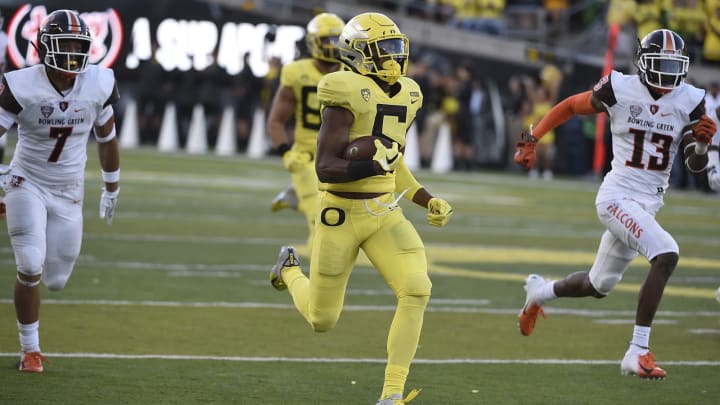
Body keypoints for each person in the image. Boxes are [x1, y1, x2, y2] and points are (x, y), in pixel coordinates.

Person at [269, 12, 453, 404]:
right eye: (382, 49)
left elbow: (396, 162)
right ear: (357, 54)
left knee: (417, 290)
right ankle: (289, 270)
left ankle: (391, 394)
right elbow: (326, 167)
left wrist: (426, 199)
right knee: (322, 319)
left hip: (385, 212)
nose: (393, 56)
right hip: (339, 214)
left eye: (395, 47)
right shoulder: (344, 89)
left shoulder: (409, 92)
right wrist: (371, 165)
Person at [513, 28, 715, 380]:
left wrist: (700, 146)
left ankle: (538, 293)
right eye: (660, 64)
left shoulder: (691, 99)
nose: (667, 74)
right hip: (617, 196)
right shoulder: (620, 87)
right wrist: (533, 136)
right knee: (666, 253)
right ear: (643, 62)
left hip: (647, 203)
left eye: (673, 65)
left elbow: (696, 167)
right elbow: (570, 106)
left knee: (598, 285)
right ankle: (637, 351)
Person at [0, 9, 121, 372]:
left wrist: (112, 186)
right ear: (42, 47)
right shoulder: (21, 84)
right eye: (63, 44)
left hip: (69, 189)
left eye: (77, 45)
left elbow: (107, 136)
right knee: (30, 264)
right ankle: (30, 349)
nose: (71, 53)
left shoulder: (98, 83)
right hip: (27, 181)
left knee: (55, 280)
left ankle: (31, 341)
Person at [267, 13, 345, 251]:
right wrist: (286, 153)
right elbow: (276, 120)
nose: (332, 46)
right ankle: (316, 273)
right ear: (313, 41)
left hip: (341, 155)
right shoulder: (296, 72)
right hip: (307, 155)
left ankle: (295, 196)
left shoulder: (353, 73)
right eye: (327, 40)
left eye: (337, 40)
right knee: (320, 217)